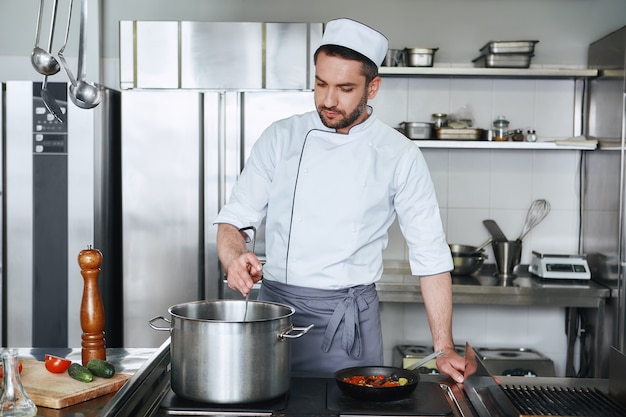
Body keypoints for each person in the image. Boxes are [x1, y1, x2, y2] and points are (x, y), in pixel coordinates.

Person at [214, 17, 465, 382]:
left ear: (373, 87)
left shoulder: (399, 155)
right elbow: (233, 221)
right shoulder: (280, 138)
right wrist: (235, 257)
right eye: (320, 84)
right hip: (274, 317)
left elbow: (431, 257)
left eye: (345, 88)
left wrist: (443, 347)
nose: (328, 100)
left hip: (349, 321)